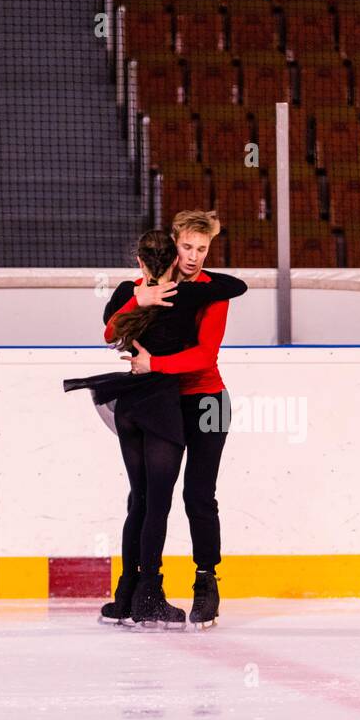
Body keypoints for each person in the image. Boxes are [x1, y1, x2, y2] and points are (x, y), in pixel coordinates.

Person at [63, 229, 246, 628]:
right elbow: (111, 331)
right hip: (164, 401)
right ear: (174, 252)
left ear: (139, 262)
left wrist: (139, 301)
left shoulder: (191, 291)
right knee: (152, 500)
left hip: (204, 400)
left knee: (190, 495)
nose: (195, 256)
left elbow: (203, 353)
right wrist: (141, 297)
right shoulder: (183, 295)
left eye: (203, 249)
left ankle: (194, 584)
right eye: (187, 248)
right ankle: (144, 594)